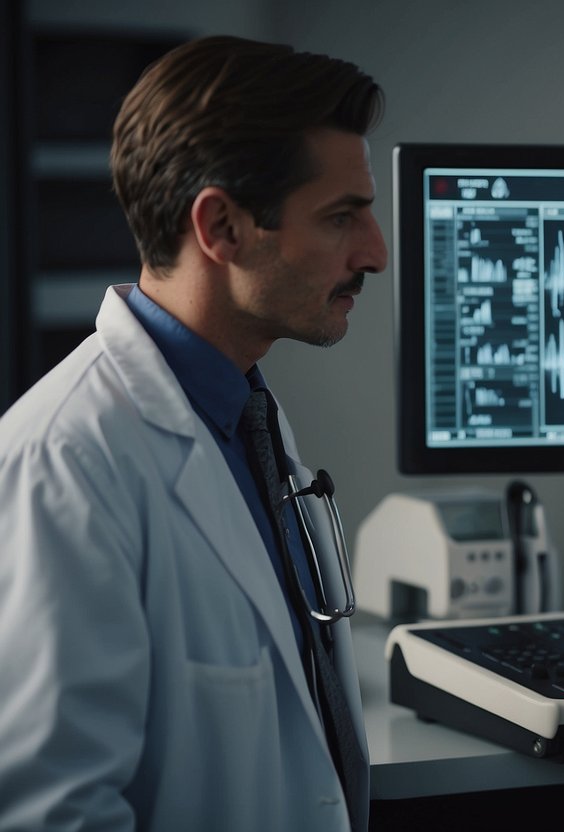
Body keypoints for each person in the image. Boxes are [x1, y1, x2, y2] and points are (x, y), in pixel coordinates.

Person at [0, 36, 387, 831]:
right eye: (341, 217)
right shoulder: (65, 460)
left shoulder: (242, 413)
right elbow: (52, 810)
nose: (374, 253)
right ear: (222, 228)